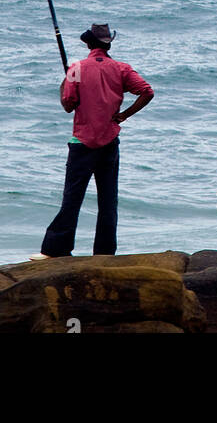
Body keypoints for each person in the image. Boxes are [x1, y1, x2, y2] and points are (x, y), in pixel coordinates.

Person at [32, 23, 154, 259]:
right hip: (109, 141)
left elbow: (68, 105)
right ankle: (105, 252)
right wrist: (125, 115)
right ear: (108, 44)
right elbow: (147, 91)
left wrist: (64, 84)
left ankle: (56, 249)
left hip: (82, 143)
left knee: (72, 198)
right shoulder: (121, 68)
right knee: (108, 201)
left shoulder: (76, 68)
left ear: (88, 44)